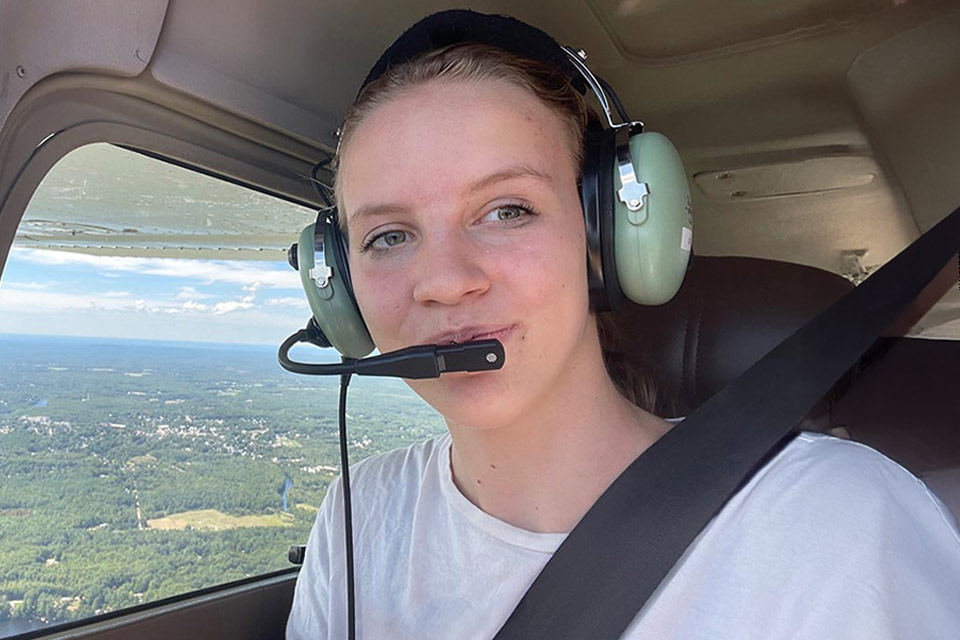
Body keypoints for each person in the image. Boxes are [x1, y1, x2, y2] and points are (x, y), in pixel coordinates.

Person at [287, 10, 960, 639]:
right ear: (339, 285)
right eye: (388, 236)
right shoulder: (359, 516)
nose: (442, 281)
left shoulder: (839, 524)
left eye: (507, 210)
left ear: (608, 237)